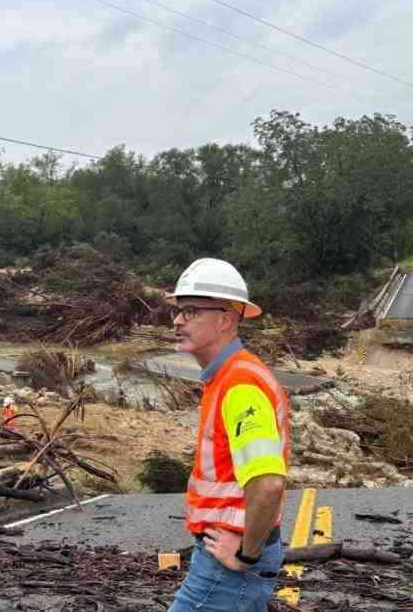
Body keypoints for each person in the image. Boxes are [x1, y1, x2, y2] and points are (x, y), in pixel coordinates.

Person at [166, 258, 290, 612]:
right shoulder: (226, 377)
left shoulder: (240, 385)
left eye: (190, 311)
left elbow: (267, 484)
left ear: (225, 318)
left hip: (229, 564)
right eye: (177, 311)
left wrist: (248, 555)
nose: (177, 320)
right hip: (223, 554)